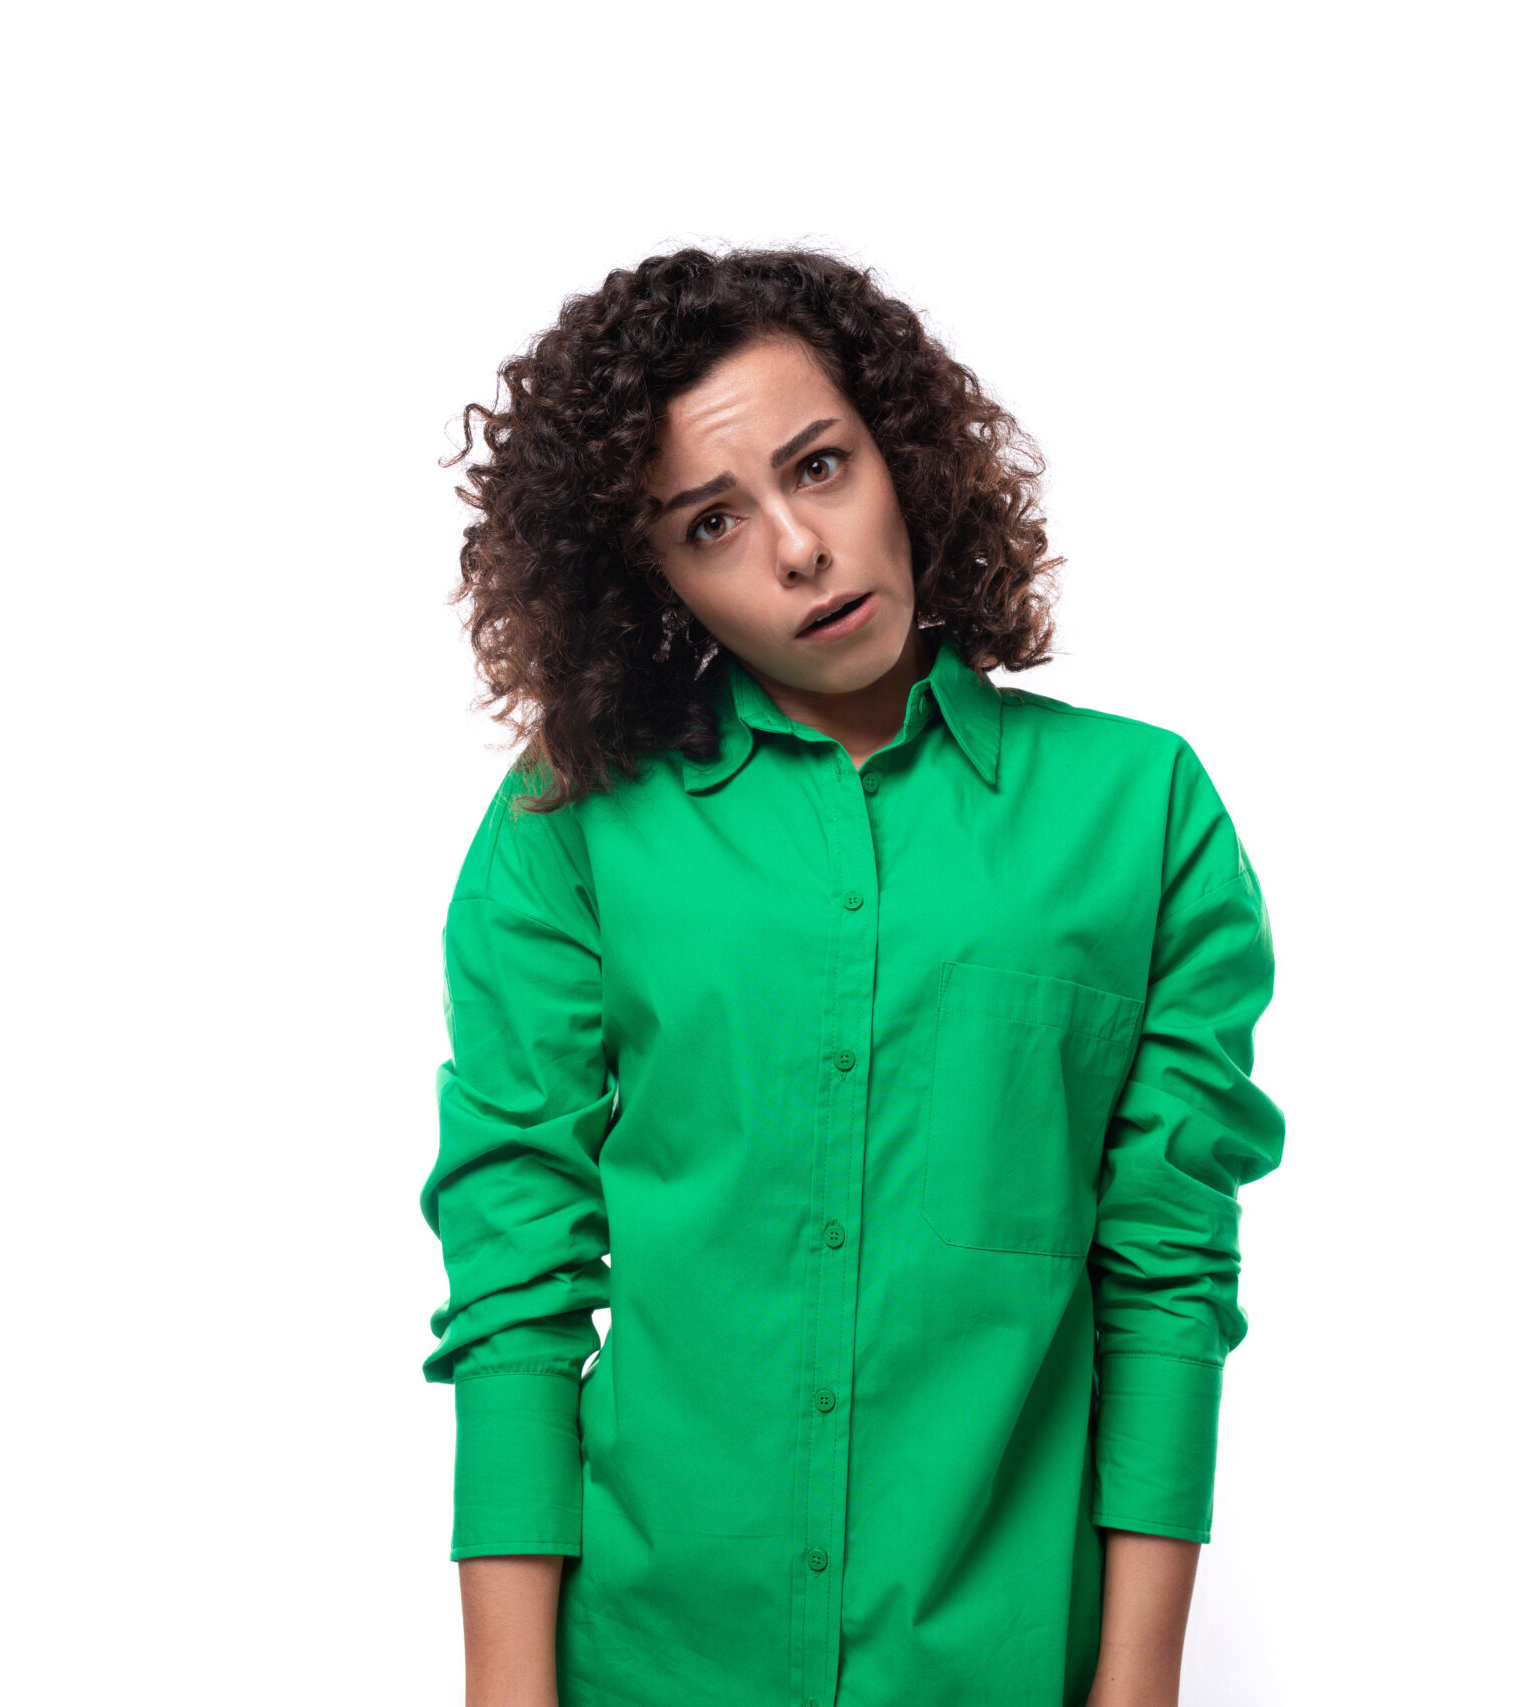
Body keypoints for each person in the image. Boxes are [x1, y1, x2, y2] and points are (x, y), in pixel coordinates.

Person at [421, 245, 1287, 1707]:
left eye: (819, 467)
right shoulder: (566, 828)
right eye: (713, 523)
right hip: (654, 1662)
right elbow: (516, 1279)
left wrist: (1136, 1692)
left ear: (905, 456)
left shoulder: (1141, 815)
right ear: (653, 583)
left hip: (998, 1666)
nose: (798, 549)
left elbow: (1166, 1282)